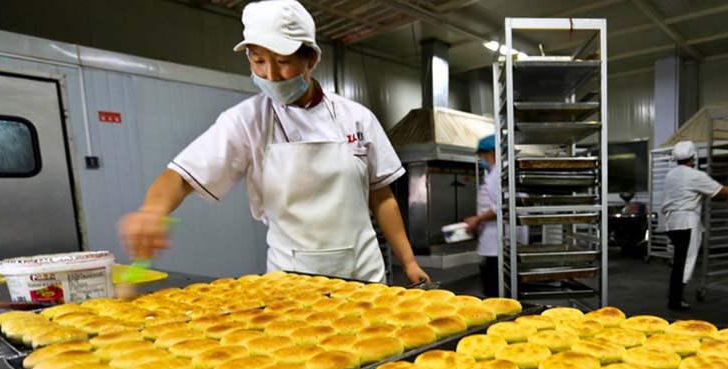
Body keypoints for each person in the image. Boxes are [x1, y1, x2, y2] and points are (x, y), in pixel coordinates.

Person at [119, 0, 429, 284]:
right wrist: (151, 212)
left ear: (310, 59)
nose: (271, 75)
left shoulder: (356, 118)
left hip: (363, 274)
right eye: (258, 61)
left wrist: (409, 262)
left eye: (282, 61)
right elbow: (180, 177)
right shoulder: (247, 120)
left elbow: (382, 196)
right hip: (291, 282)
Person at [661, 140, 728, 309]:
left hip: (671, 223)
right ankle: (675, 301)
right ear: (693, 157)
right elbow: (721, 190)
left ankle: (673, 297)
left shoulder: (671, 175)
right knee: (686, 261)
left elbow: (686, 194)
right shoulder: (695, 175)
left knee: (678, 262)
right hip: (686, 223)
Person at [464, 134, 501, 296]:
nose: (481, 159)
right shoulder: (497, 172)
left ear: (492, 152)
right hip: (494, 241)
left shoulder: (498, 174)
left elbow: (500, 207)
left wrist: (477, 219)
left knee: (494, 290)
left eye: (482, 155)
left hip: (497, 244)